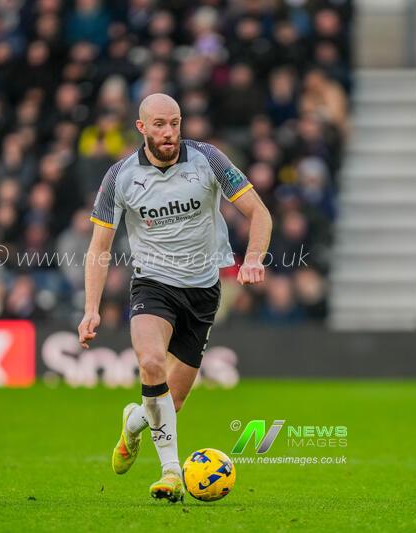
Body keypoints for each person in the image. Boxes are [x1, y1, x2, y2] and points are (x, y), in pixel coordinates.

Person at [77, 94, 272, 502]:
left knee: (171, 401)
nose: (169, 132)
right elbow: (99, 246)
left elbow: (259, 212)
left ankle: (134, 422)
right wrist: (91, 308)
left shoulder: (209, 159)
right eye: (160, 124)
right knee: (151, 363)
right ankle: (170, 473)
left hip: (203, 291)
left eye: (175, 123)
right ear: (141, 127)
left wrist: (253, 258)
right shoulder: (120, 177)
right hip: (153, 285)